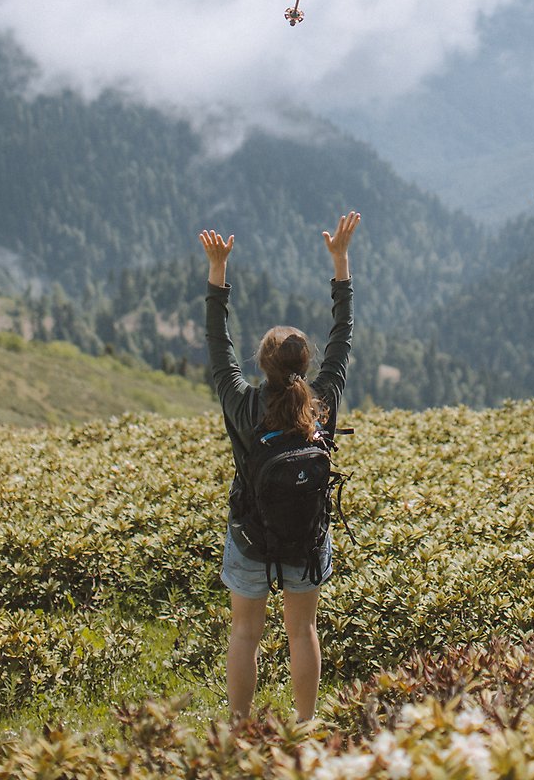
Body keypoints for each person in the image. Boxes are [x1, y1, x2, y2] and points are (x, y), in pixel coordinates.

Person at [200, 209, 359, 724]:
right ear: (307, 367)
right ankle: (306, 725)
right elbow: (343, 339)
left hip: (250, 532)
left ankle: (242, 728)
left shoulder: (242, 403)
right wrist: (341, 264)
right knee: (302, 630)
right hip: (306, 534)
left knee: (245, 633)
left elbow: (217, 344)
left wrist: (217, 273)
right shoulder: (323, 401)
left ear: (261, 364)